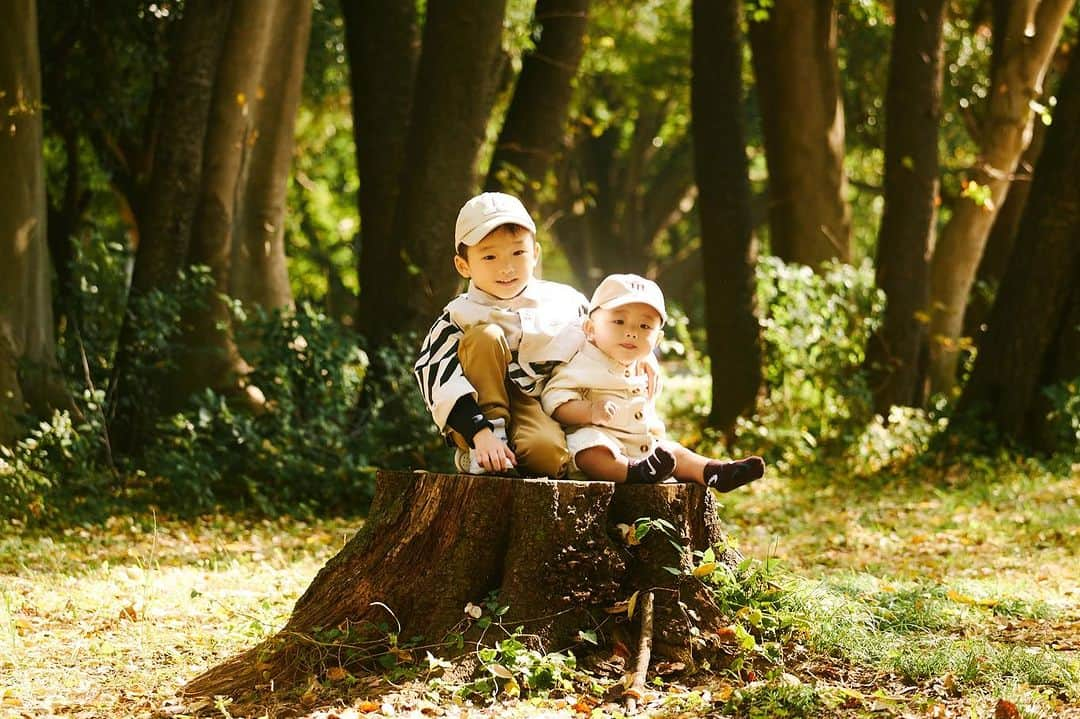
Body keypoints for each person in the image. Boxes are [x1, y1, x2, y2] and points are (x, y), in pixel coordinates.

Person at [413, 192, 589, 477]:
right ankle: (481, 449)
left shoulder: (568, 302)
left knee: (547, 456)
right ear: (463, 265)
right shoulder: (457, 315)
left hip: (536, 405)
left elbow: (607, 337)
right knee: (486, 336)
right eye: (490, 256)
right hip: (478, 408)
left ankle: (515, 456)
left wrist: (643, 361)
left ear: (535, 253)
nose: (506, 267)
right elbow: (434, 374)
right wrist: (479, 432)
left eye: (518, 252)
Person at [542, 273, 765, 489]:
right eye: (619, 321)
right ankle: (632, 473)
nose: (631, 332)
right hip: (601, 439)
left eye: (644, 326)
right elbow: (554, 400)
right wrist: (589, 410)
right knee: (589, 450)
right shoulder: (583, 361)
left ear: (657, 338)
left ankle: (714, 472)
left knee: (675, 452)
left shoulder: (643, 366)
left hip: (644, 447)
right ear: (590, 329)